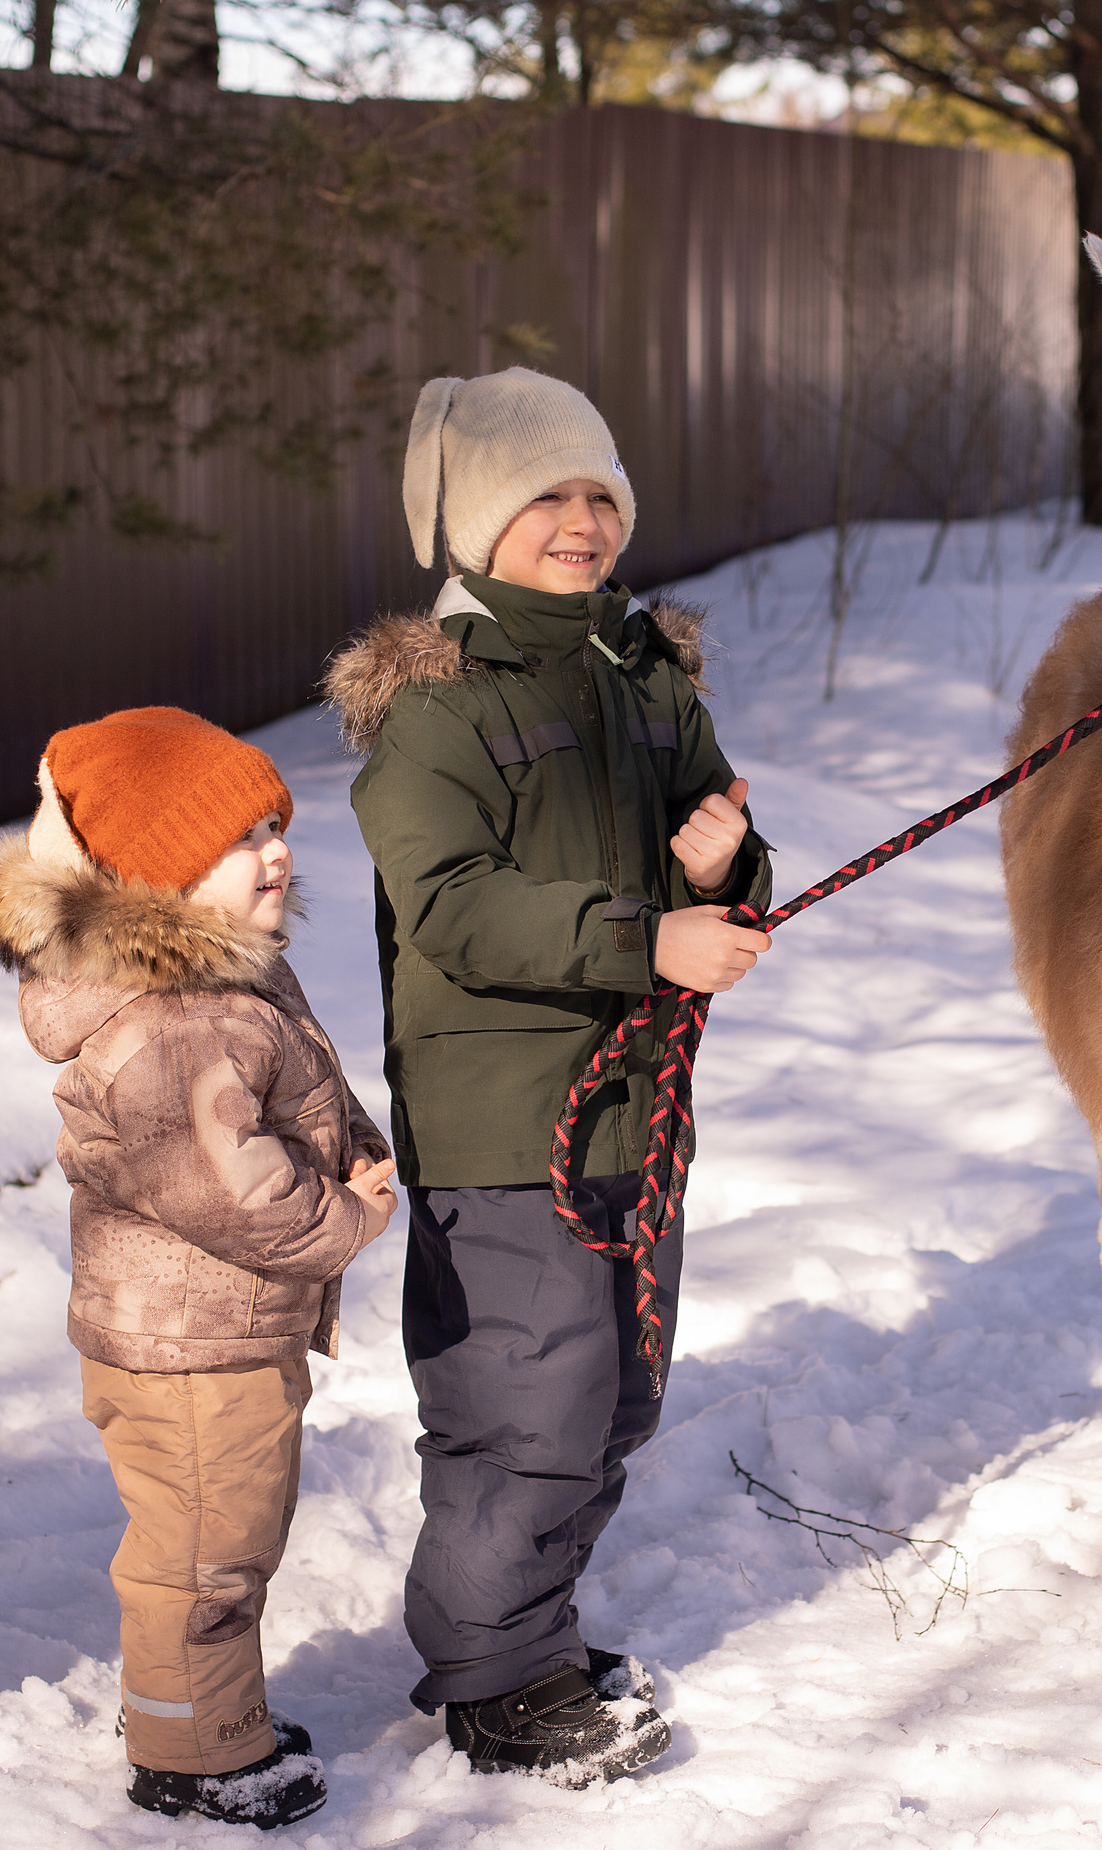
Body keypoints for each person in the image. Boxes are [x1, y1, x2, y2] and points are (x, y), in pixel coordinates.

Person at [330, 368, 772, 1785]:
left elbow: (710, 855)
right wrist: (653, 934)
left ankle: (520, 1628)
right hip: (503, 1126)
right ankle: (493, 1677)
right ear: (472, 522)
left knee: (614, 1399)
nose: (582, 522)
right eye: (546, 497)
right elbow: (457, 903)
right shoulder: (434, 715)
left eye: (601, 496)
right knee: (522, 1405)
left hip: (636, 1109)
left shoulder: (645, 679)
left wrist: (722, 867)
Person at [0, 706, 399, 1830]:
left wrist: (353, 1143)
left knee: (223, 1532)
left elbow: (287, 1100)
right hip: (190, 1342)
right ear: (154, 875)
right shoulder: (173, 1023)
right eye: (240, 836)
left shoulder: (224, 984)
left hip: (215, 1330)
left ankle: (200, 1707)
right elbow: (228, 1187)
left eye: (273, 825)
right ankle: (189, 1750)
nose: (277, 852)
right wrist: (344, 1216)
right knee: (204, 1551)